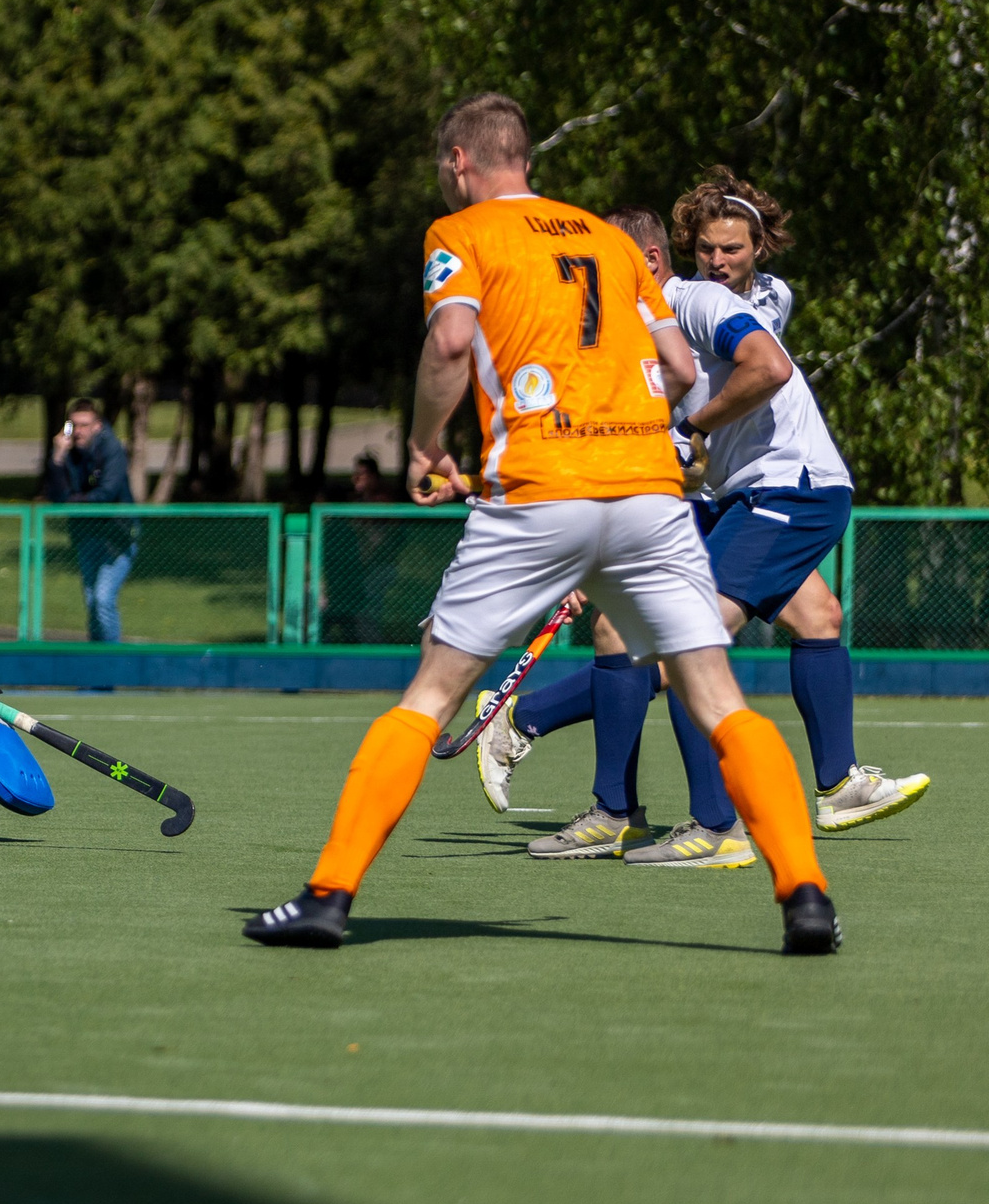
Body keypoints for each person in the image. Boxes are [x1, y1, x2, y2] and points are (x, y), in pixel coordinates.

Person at [243, 93, 837, 954]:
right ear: (526, 156)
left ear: (460, 164)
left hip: (536, 489)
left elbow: (451, 345)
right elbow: (675, 364)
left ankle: (328, 895)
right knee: (717, 695)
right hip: (646, 491)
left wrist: (422, 445)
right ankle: (806, 896)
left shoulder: (463, 235)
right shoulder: (608, 238)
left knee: (434, 691)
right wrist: (637, 426)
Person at [475, 192, 928, 864]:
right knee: (813, 613)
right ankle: (832, 784)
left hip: (787, 489)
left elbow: (761, 368)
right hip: (738, 493)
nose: (718, 261)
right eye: (708, 248)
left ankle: (707, 822)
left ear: (646, 261)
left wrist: (689, 427)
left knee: (683, 638)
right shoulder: (653, 324)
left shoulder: (696, 301)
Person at [45, 397, 137, 641]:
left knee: (103, 600)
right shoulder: (70, 453)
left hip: (116, 538)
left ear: (98, 425)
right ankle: (95, 672)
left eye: (85, 425)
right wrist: (57, 458)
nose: (78, 432)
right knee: (92, 603)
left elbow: (107, 493)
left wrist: (72, 502)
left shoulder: (111, 449)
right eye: (74, 425)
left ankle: (110, 665)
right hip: (86, 534)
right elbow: (56, 494)